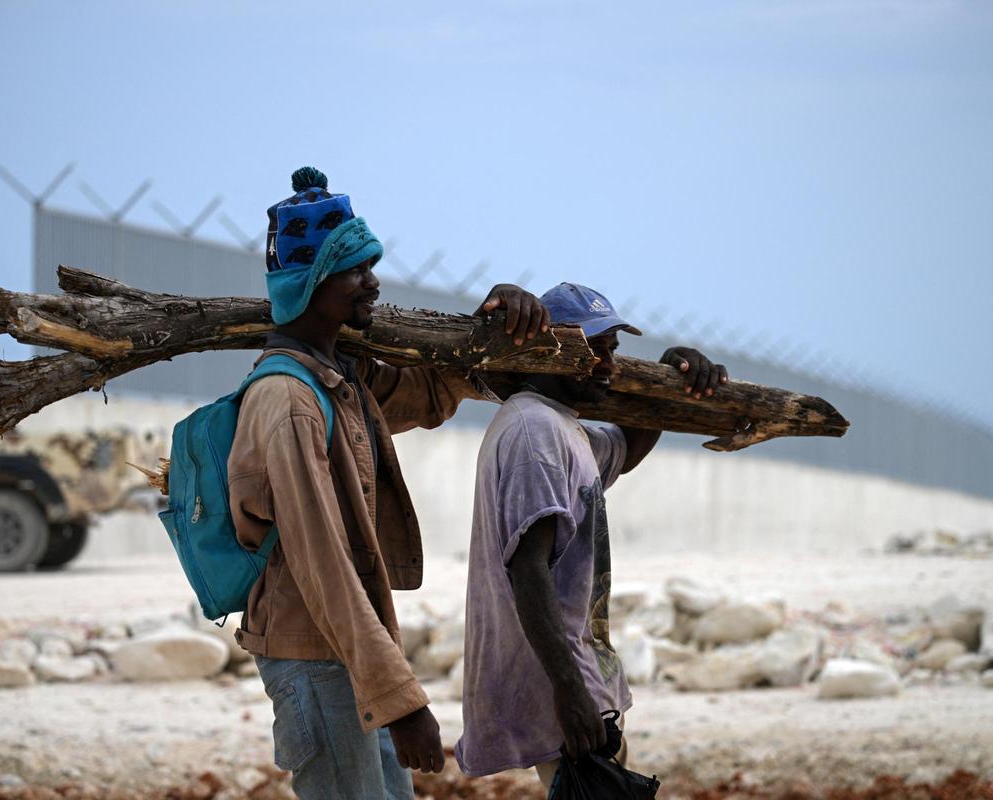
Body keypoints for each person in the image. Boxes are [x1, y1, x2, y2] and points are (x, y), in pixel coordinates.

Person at [226, 166, 548, 799]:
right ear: (314, 284)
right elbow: (322, 563)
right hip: (318, 661)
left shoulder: (338, 378)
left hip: (348, 656)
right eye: (355, 270)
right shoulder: (288, 399)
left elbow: (430, 392)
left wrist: (489, 324)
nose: (373, 283)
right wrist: (400, 701)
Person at [454, 282, 728, 790]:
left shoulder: (561, 427)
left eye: (613, 349)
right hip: (559, 686)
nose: (608, 363)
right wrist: (570, 690)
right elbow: (527, 570)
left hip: (576, 677)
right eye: (594, 348)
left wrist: (670, 375)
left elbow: (626, 448)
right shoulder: (533, 432)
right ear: (547, 350)